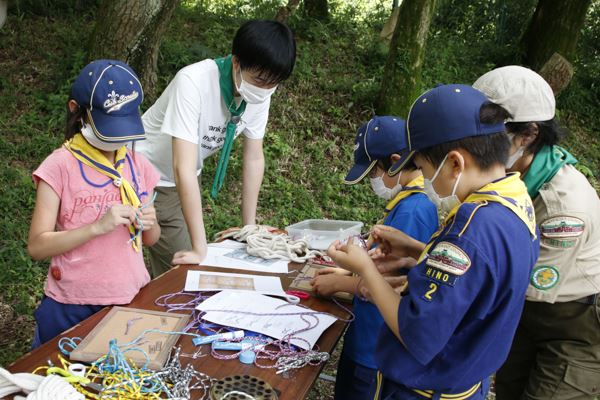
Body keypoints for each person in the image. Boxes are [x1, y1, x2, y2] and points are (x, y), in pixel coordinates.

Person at [327, 84, 539, 400]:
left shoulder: (472, 229)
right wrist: (416, 250)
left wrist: (365, 269)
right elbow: (479, 283)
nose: (426, 180)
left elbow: (417, 333)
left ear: (455, 163)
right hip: (465, 382)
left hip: (424, 390)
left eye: (425, 169)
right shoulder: (516, 204)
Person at [474, 65, 600, 400]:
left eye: (489, 133)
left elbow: (527, 282)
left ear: (527, 135)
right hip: (526, 314)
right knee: (510, 390)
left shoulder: (563, 208)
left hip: (571, 324)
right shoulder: (508, 177)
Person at [137, 20, 296, 276]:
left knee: (183, 268)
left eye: (273, 84)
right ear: (236, 62)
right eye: (259, 80)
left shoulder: (259, 95)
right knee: (173, 270)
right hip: (141, 172)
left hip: (180, 181)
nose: (265, 90)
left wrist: (249, 229)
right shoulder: (193, 81)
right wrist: (200, 248)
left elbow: (254, 158)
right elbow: (183, 167)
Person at [27, 60, 160, 347]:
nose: (116, 138)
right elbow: (37, 246)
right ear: (76, 110)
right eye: (108, 127)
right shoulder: (59, 166)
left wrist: (149, 222)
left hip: (130, 296)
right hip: (70, 305)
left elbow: (151, 239)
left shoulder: (137, 164)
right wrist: (97, 227)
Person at [311, 116, 438, 400]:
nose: (373, 181)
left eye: (373, 173)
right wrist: (344, 272)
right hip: (369, 340)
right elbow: (381, 260)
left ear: (395, 161)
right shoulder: (408, 201)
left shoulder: (413, 210)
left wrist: (339, 285)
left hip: (376, 348)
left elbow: (394, 279)